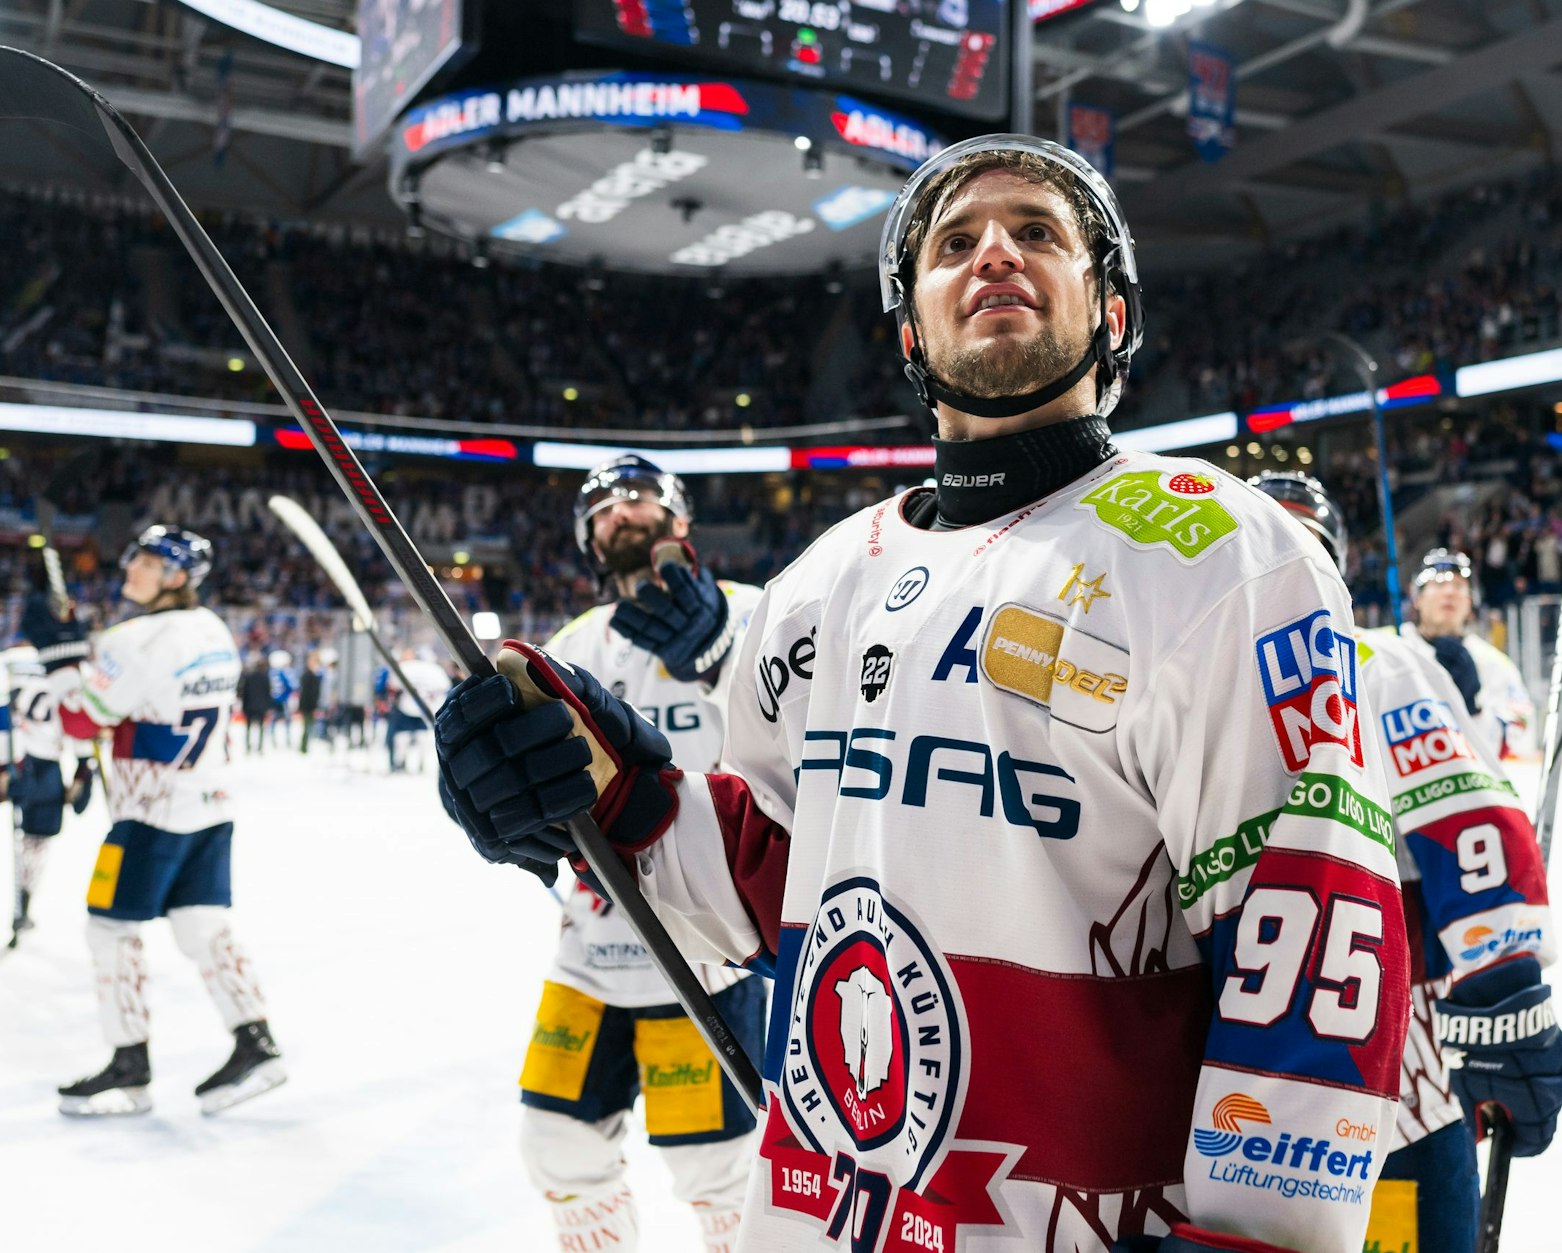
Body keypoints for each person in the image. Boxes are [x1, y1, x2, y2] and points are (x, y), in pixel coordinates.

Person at [433, 135, 1409, 1252]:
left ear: (1111, 313)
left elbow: (1312, 935)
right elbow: (775, 880)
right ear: (911, 333)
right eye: (954, 244)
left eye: (1037, 231)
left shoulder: (1222, 554)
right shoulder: (820, 583)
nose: (994, 251)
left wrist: (1262, 1239)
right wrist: (607, 801)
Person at [1250, 472, 1562, 1253]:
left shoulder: (1374, 663)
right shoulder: (1369, 660)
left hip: (1377, 1060)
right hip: (1307, 1066)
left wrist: (1504, 995)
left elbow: (1467, 822)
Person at [515, 455, 767, 1253]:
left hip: (710, 948)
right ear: (589, 540)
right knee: (555, 1142)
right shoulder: (573, 646)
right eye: (603, 509)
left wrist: (723, 654)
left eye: (639, 498)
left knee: (719, 1167)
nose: (621, 512)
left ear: (680, 519)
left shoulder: (756, 612)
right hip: (591, 948)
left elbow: (806, 735)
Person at [52, 526, 285, 1117]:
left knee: (109, 929)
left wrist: (60, 661)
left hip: (150, 814)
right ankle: (256, 1042)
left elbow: (81, 721)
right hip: (211, 807)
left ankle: (129, 1062)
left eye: (148, 562)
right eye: (134, 556)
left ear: (177, 577)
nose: (130, 567)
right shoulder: (213, 629)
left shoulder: (135, 638)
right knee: (201, 925)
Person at [9, 586, 95, 944]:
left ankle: (22, 904)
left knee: (28, 841)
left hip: (16, 761)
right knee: (35, 844)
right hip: (45, 771)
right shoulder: (74, 667)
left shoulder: (10, 658)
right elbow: (81, 725)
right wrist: (83, 769)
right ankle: (23, 903)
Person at [1401, 549, 1536, 759]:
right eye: (1438, 584)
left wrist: (1474, 712)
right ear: (1417, 598)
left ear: (1470, 602)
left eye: (1459, 586)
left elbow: (1521, 740)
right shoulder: (1385, 649)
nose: (1449, 592)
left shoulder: (1496, 664)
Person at [383, 648, 449, 772]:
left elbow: (392, 686)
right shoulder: (436, 670)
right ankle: (421, 763)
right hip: (427, 708)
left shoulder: (405, 667)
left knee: (403, 736)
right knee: (422, 737)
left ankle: (400, 762)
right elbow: (445, 688)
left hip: (405, 706)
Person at [238, 652, 272, 754]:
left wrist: (243, 706)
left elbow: (244, 693)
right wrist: (268, 707)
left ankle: (248, 747)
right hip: (261, 706)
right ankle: (260, 747)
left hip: (249, 706)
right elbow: (268, 693)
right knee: (261, 727)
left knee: (248, 727)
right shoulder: (265, 678)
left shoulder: (249, 677)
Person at [297, 652, 325, 753]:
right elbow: (307, 694)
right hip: (308, 706)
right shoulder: (308, 676)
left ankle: (305, 746)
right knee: (307, 726)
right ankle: (304, 747)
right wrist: (313, 707)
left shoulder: (314, 675)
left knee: (309, 726)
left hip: (310, 706)